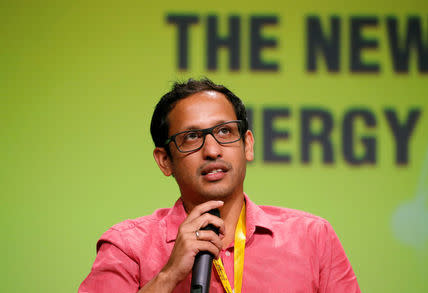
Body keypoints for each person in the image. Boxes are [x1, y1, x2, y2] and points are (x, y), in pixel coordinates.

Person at [79, 78, 361, 293]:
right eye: (191, 137)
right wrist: (168, 276)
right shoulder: (127, 247)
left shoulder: (312, 238)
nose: (212, 150)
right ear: (165, 160)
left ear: (247, 145)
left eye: (225, 131)